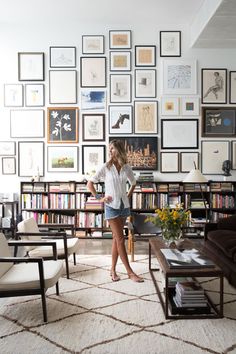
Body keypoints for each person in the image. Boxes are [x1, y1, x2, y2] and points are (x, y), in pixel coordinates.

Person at [87, 139, 144, 283]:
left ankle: (112, 270)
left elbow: (133, 183)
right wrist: (100, 198)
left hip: (124, 206)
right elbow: (90, 183)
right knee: (120, 239)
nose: (110, 151)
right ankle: (130, 272)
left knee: (115, 240)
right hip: (111, 207)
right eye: (109, 149)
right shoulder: (106, 167)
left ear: (119, 149)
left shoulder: (126, 168)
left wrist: (128, 195)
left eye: (112, 148)